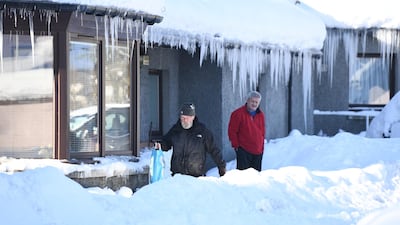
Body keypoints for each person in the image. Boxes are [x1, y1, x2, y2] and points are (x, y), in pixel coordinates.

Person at [155, 102, 226, 177]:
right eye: (182, 118)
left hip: (196, 177)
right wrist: (160, 145)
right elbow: (166, 142)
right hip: (177, 176)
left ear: (193, 117)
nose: (184, 120)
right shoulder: (176, 130)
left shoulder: (202, 132)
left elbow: (214, 150)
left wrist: (221, 167)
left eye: (186, 118)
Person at [228, 91, 265, 171]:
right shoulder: (237, 114)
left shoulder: (260, 115)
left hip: (258, 152)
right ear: (247, 100)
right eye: (252, 101)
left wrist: (262, 148)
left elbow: (262, 132)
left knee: (256, 178)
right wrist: (237, 147)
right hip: (244, 150)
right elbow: (232, 131)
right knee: (243, 178)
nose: (254, 104)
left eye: (256, 102)